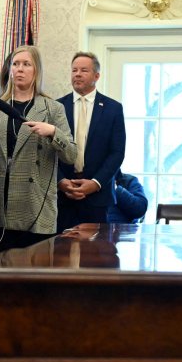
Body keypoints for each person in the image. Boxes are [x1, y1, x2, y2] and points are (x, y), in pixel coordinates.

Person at [0, 45, 75, 254]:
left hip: (35, 204)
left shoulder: (53, 109)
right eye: (15, 64)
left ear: (36, 71)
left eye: (26, 64)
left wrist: (53, 132)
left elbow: (71, 155)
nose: (19, 69)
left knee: (33, 281)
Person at [57, 52, 125, 232]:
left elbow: (117, 152)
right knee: (61, 256)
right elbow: (48, 151)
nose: (77, 74)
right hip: (63, 196)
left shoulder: (113, 109)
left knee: (96, 257)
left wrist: (95, 183)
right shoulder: (57, 107)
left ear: (97, 76)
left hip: (98, 197)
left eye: (84, 70)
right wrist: (61, 181)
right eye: (74, 70)